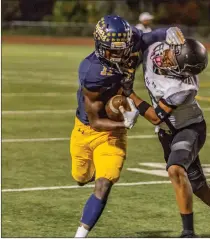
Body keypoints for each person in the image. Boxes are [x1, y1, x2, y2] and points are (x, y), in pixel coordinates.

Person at [70, 15, 186, 237]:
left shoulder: (131, 42)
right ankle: (93, 169)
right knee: (81, 178)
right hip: (87, 128)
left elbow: (154, 35)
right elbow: (94, 120)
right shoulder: (91, 71)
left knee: (104, 184)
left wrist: (171, 29)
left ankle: (79, 235)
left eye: (123, 49)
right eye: (113, 51)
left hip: (114, 133)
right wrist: (124, 119)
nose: (120, 55)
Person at [121, 39, 210, 238]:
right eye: (171, 51)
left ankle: (188, 233)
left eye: (173, 57)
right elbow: (145, 41)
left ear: (183, 71)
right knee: (198, 186)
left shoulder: (183, 88)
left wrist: (131, 95)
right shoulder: (157, 49)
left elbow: (154, 117)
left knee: (176, 170)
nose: (166, 56)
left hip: (189, 129)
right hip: (167, 132)